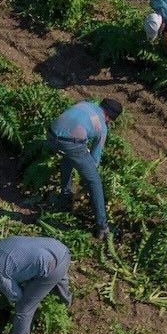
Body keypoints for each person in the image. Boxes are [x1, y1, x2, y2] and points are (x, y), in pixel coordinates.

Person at [48, 98, 122, 238]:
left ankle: (64, 197)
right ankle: (102, 226)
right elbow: (95, 158)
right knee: (94, 181)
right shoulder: (102, 127)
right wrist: (86, 177)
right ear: (109, 117)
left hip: (51, 135)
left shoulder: (84, 104)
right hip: (70, 143)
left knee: (68, 158)